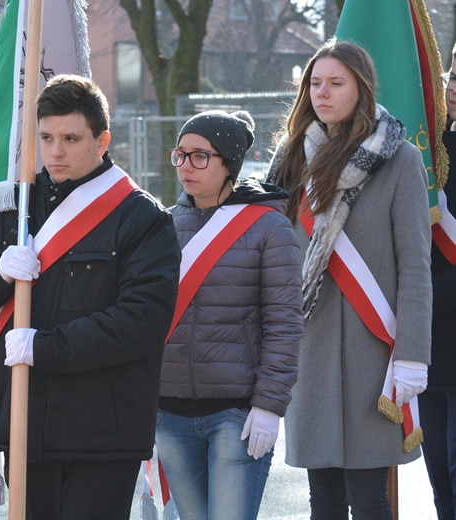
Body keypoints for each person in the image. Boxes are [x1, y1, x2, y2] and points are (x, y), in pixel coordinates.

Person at [0, 74, 180, 519]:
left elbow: (143, 322)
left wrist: (43, 348)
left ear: (102, 140)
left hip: (104, 431)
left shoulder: (143, 218)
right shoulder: (9, 208)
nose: (55, 151)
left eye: (70, 138)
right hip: (28, 425)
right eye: (45, 137)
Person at [266, 39, 432, 519]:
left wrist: (412, 356)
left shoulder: (399, 158)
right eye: (315, 83)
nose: (322, 93)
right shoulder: (293, 157)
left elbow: (415, 267)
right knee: (324, 502)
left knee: (371, 500)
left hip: (374, 355)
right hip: (311, 351)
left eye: (336, 83)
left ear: (362, 88)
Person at [155, 110, 303, 520]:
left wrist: (269, 406)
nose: (186, 166)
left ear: (230, 164)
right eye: (180, 154)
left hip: (236, 414)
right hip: (169, 413)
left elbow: (284, 324)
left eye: (200, 156)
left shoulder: (270, 228)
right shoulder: (161, 225)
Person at [420, 44, 456, 520]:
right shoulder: (429, 149)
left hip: (433, 311)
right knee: (438, 480)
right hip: (428, 340)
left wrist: (419, 301)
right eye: (452, 76)